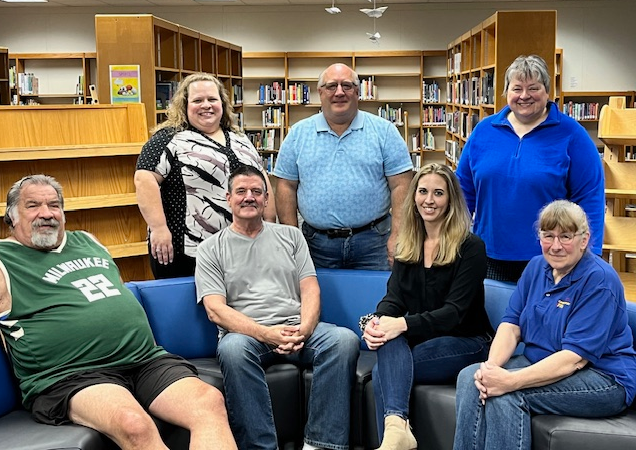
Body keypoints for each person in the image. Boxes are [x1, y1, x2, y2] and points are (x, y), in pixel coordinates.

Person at [0, 174, 236, 450]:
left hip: (144, 360)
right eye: (33, 205)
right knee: (133, 423)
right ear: (11, 217)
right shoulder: (2, 259)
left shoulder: (87, 241)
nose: (46, 213)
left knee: (209, 402)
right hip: (71, 374)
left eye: (54, 205)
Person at [195, 164, 360, 450]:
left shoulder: (291, 236)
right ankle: (260, 447)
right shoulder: (210, 248)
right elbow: (215, 310)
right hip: (246, 335)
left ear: (266, 199)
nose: (249, 197)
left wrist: (305, 330)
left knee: (343, 340)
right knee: (232, 350)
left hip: (296, 328)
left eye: (257, 192)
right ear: (228, 198)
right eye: (241, 191)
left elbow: (310, 288)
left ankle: (321, 444)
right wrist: (266, 334)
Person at [453, 200, 636, 450]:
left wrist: (508, 381)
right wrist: (492, 370)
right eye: (548, 236)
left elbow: (574, 359)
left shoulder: (599, 281)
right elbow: (511, 325)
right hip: (541, 362)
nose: (556, 246)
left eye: (566, 236)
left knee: (506, 393)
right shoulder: (536, 266)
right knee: (471, 378)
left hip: (603, 377)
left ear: (584, 240)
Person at [361, 163, 493, 450]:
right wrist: (378, 322)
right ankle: (396, 435)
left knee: (387, 371)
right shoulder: (409, 243)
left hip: (467, 340)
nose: (429, 200)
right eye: (422, 191)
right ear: (414, 196)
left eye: (438, 193)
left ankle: (393, 439)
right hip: (422, 338)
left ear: (451, 200)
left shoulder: (470, 247)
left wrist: (402, 324)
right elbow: (393, 298)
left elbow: (454, 313)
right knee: (387, 339)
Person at [455, 54, 605, 283]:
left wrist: (589, 256)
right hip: (487, 255)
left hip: (552, 257)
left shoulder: (572, 135)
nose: (524, 96)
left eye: (533, 88)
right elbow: (463, 192)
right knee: (493, 316)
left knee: (542, 318)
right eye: (517, 89)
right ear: (506, 93)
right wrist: (451, 241)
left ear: (547, 91)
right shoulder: (484, 131)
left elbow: (590, 199)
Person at [135, 72, 276, 279]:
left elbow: (261, 178)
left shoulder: (240, 138)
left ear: (222, 103)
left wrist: (270, 222)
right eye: (197, 100)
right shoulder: (168, 138)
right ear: (184, 105)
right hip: (187, 251)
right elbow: (144, 179)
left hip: (241, 247)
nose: (206, 105)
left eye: (212, 99)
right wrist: (158, 228)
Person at [273, 63, 413, 271]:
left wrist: (398, 234)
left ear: (358, 92)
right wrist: (291, 238)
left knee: (378, 300)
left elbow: (402, 184)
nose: (339, 92)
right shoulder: (298, 134)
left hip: (375, 242)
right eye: (331, 86)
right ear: (320, 93)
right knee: (317, 300)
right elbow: (286, 186)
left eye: (347, 86)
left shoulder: (384, 131)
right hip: (316, 244)